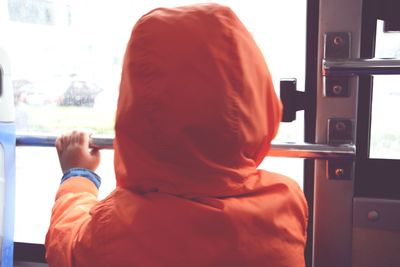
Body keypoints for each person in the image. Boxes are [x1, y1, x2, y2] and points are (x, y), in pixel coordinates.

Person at [45, 3, 308, 267]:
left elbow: (66, 245)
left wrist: (78, 175)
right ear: (260, 102)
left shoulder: (115, 228)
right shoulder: (287, 203)